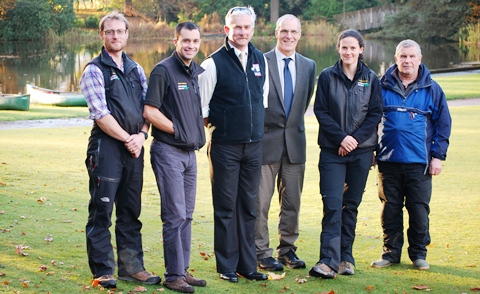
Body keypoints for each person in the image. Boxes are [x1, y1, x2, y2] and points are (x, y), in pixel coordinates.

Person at [80, 11, 160, 289]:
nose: (115, 36)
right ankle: (104, 270)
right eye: (109, 31)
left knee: (130, 211)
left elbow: (148, 109)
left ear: (127, 34)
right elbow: (100, 114)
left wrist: (141, 135)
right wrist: (129, 138)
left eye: (120, 31)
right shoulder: (94, 69)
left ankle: (131, 268)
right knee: (101, 211)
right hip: (106, 149)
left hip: (134, 148)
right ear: (102, 35)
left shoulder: (136, 69)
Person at [198, 6, 269, 283]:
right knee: (226, 207)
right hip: (225, 146)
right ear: (227, 30)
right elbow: (202, 110)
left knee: (249, 207)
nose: (242, 31)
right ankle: (226, 266)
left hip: (253, 146)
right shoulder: (212, 63)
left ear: (252, 29)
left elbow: (262, 101)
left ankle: (247, 265)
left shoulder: (260, 59)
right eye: (236, 27)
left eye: (246, 27)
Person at [371, 39, 451, 271]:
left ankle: (418, 254)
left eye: (411, 56)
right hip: (388, 161)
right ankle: (390, 254)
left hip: (420, 163)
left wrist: (438, 157)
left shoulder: (432, 89)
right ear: (396, 58)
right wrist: (371, 151)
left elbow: (443, 125)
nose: (407, 60)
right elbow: (370, 121)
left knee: (418, 210)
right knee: (390, 210)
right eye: (402, 56)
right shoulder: (380, 86)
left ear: (419, 59)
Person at [309, 29, 383, 279]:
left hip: (361, 153)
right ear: (338, 49)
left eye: (353, 48)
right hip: (332, 151)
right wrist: (342, 138)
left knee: (350, 206)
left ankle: (346, 258)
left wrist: (354, 141)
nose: (348, 52)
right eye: (344, 47)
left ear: (361, 49)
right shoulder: (328, 76)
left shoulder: (371, 78)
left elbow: (374, 114)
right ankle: (327, 261)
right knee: (332, 205)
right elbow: (321, 111)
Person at [143, 21, 206, 293]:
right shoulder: (163, 70)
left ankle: (183, 269)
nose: (190, 45)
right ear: (175, 41)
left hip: (189, 155)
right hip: (168, 151)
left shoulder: (193, 72)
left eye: (195, 41)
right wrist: (179, 130)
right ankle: (173, 276)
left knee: (188, 215)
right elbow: (150, 111)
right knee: (175, 214)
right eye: (186, 41)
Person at [254, 14, 316, 272]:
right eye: (284, 31)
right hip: (265, 143)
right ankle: (261, 252)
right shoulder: (261, 60)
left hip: (295, 145)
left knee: (292, 203)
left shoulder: (309, 65)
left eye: (293, 31)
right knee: (260, 202)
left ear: (300, 34)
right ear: (276, 33)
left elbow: (303, 102)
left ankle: (287, 250)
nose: (289, 36)